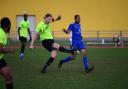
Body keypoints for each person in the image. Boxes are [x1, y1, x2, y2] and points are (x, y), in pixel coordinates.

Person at [0, 17, 15, 89]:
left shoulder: (2, 32)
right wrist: (9, 50)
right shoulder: (1, 33)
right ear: (8, 26)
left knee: (8, 76)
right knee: (8, 76)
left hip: (1, 58)